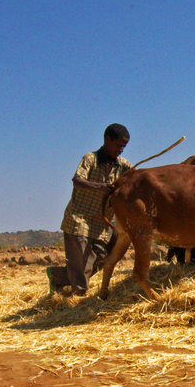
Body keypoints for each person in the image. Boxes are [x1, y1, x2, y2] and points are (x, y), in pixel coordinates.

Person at [52, 123, 132, 295]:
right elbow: (77, 180)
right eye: (119, 145)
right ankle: (79, 297)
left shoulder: (123, 165)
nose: (122, 150)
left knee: (103, 259)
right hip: (78, 218)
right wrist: (99, 187)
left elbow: (137, 177)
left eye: (124, 146)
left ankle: (57, 276)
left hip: (101, 223)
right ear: (107, 140)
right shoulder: (90, 159)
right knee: (81, 263)